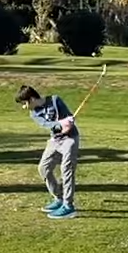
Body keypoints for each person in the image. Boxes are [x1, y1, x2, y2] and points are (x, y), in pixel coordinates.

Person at [16, 84, 80, 220]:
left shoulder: (55, 100)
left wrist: (68, 120)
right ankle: (59, 198)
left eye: (24, 104)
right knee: (43, 168)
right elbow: (48, 125)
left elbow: (69, 118)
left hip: (70, 139)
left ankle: (68, 206)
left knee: (66, 169)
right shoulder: (34, 113)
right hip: (55, 141)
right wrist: (61, 124)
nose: (24, 107)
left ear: (31, 99)